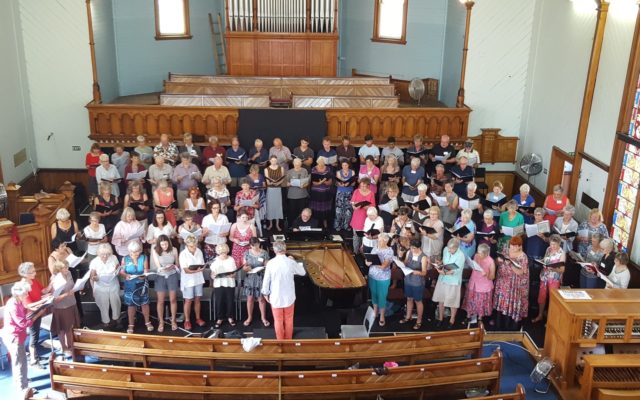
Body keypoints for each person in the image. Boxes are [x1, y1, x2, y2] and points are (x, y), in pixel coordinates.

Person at [2, 281, 45, 398]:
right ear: (18, 294)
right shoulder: (13, 305)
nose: (27, 295)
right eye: (25, 294)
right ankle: (23, 389)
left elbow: (24, 313)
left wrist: (34, 310)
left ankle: (20, 382)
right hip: (14, 337)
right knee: (20, 363)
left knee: (20, 362)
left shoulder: (17, 301)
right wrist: (37, 315)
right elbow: (23, 324)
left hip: (18, 336)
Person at [261, 241, 307, 340]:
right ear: (285, 249)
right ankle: (288, 340)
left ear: (274, 250)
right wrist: (294, 261)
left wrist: (265, 293)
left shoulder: (270, 263)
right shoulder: (290, 262)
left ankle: (280, 341)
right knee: (289, 319)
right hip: (289, 296)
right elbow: (303, 272)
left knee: (278, 320)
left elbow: (266, 280)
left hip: (276, 296)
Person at [493, 236, 529, 331]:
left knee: (510, 300)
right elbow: (497, 262)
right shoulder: (505, 250)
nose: (512, 248)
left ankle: (510, 325)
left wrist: (510, 265)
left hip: (514, 284)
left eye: (515, 246)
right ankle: (499, 322)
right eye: (511, 245)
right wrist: (498, 261)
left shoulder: (523, 256)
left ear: (520, 246)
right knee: (502, 299)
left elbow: (521, 272)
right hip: (503, 280)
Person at [17, 262, 47, 366]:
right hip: (30, 314)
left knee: (36, 335)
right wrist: (44, 301)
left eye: (34, 270)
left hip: (38, 310)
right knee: (34, 336)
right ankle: (34, 360)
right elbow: (29, 305)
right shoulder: (22, 286)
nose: (35, 272)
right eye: (32, 271)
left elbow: (43, 291)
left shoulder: (33, 280)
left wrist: (52, 284)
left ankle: (34, 355)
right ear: (25, 274)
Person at [49, 260, 81, 357]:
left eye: (67, 267)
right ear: (58, 269)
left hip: (72, 303)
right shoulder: (54, 278)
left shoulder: (69, 273)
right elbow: (54, 299)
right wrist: (67, 294)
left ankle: (71, 345)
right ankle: (64, 347)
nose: (67, 269)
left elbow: (71, 286)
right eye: (64, 268)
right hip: (61, 307)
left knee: (71, 327)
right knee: (63, 329)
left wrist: (78, 287)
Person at [119, 241, 152, 334]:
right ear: (129, 252)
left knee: (145, 303)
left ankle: (147, 322)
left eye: (137, 251)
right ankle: (131, 325)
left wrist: (144, 275)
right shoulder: (124, 259)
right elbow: (121, 271)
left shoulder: (144, 257)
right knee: (131, 304)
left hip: (142, 283)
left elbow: (146, 270)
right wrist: (126, 275)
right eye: (133, 252)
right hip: (130, 283)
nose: (136, 254)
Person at [532, 234, 566, 323]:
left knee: (553, 299)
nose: (552, 246)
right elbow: (545, 259)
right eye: (551, 244)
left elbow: (562, 269)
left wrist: (553, 269)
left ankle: (551, 320)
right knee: (542, 296)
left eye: (554, 244)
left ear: (559, 243)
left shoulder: (562, 253)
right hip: (545, 276)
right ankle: (540, 315)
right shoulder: (548, 249)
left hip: (554, 278)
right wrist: (541, 262)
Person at [433, 238, 465, 329]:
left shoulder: (461, 256)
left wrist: (445, 273)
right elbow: (444, 260)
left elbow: (457, 270)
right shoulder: (446, 249)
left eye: (451, 249)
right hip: (443, 279)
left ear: (456, 248)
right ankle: (440, 318)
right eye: (448, 248)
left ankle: (452, 319)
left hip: (453, 280)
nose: (449, 250)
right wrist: (440, 263)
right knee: (441, 299)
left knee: (452, 302)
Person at [89, 244, 121, 329]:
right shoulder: (94, 261)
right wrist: (93, 288)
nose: (105, 256)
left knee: (116, 302)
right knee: (103, 304)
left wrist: (117, 272)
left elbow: (118, 268)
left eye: (107, 254)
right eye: (103, 254)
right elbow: (92, 277)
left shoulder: (113, 257)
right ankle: (105, 321)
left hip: (113, 283)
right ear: (98, 253)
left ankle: (116, 318)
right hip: (100, 286)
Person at [399, 239, 429, 330]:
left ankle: (419, 321)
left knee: (418, 301)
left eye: (414, 248)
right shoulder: (409, 252)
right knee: (409, 299)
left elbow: (424, 272)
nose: (412, 249)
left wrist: (418, 272)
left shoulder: (423, 257)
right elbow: (405, 263)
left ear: (418, 247)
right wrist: (400, 259)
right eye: (411, 247)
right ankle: (408, 317)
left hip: (417, 282)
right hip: (408, 279)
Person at [462, 244, 495, 325]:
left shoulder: (491, 261)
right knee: (471, 300)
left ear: (486, 253)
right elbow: (473, 265)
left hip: (484, 285)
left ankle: (480, 318)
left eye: (480, 253)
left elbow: (492, 277)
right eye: (478, 252)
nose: (478, 254)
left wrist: (486, 274)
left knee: (481, 302)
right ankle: (469, 316)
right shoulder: (476, 256)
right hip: (474, 282)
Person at [365, 233, 393, 327]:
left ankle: (382, 316)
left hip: (383, 278)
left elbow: (384, 266)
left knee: (382, 297)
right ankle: (375, 313)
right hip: (372, 276)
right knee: (374, 295)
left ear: (386, 241)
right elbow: (368, 259)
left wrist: (373, 263)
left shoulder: (389, 251)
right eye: (379, 240)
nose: (379, 242)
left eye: (381, 240)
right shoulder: (375, 248)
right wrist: (367, 262)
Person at [179, 235, 206, 330]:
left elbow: (202, 265)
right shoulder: (183, 254)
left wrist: (201, 268)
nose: (194, 247)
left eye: (195, 245)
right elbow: (186, 270)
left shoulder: (199, 251)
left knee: (198, 299)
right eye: (191, 246)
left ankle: (198, 318)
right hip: (188, 280)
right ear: (186, 244)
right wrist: (197, 270)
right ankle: (187, 320)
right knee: (188, 300)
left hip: (198, 279)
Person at [242, 238, 270, 327]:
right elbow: (244, 267)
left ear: (259, 243)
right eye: (253, 246)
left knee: (261, 299)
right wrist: (246, 268)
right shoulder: (246, 253)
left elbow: (267, 265)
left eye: (257, 245)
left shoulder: (264, 253)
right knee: (250, 299)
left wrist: (265, 266)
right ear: (250, 245)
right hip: (250, 277)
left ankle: (263, 318)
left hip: (261, 277)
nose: (255, 247)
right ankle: (249, 317)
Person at [211, 243, 237, 328]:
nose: (223, 254)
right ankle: (220, 318)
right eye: (221, 253)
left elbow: (234, 273)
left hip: (229, 283)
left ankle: (230, 317)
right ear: (218, 253)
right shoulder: (215, 260)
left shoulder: (231, 259)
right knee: (219, 301)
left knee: (230, 301)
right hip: (219, 283)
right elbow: (212, 274)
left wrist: (232, 275)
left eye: (225, 252)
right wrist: (213, 276)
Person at [350, 178, 376, 253]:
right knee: (356, 236)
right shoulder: (356, 191)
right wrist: (355, 206)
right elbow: (353, 203)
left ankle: (363, 254)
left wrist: (366, 207)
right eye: (361, 186)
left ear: (368, 186)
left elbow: (373, 206)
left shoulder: (371, 193)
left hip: (366, 217)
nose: (363, 188)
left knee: (364, 237)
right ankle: (355, 252)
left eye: (365, 186)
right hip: (357, 216)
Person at [309, 157, 334, 229]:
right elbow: (313, 182)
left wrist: (325, 182)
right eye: (320, 162)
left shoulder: (328, 169)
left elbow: (330, 182)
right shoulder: (313, 169)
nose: (321, 164)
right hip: (316, 192)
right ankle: (315, 223)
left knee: (325, 208)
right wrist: (320, 182)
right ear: (317, 162)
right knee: (315, 208)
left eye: (323, 162)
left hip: (326, 192)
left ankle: (325, 223)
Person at [285, 158, 310, 225]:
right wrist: (289, 184)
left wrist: (304, 186)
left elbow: (307, 182)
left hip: (302, 195)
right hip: (292, 195)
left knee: (301, 212)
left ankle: (301, 225)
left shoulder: (304, 170)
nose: (297, 166)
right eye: (296, 164)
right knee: (292, 212)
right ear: (293, 164)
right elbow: (285, 183)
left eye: (299, 164)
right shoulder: (289, 172)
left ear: (301, 164)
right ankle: (291, 226)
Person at [334, 160, 356, 232]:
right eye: (343, 165)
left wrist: (348, 184)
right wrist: (341, 184)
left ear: (348, 165)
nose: (344, 167)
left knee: (348, 210)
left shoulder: (352, 172)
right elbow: (336, 183)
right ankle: (338, 225)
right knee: (339, 209)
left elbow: (354, 183)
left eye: (346, 165)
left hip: (349, 192)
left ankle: (346, 225)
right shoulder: (338, 172)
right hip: (340, 192)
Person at [265, 155, 285, 231]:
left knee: (278, 206)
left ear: (277, 160)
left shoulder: (281, 168)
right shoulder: (266, 169)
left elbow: (282, 179)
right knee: (270, 206)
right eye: (272, 160)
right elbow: (267, 181)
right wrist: (272, 183)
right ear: (270, 161)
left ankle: (277, 224)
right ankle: (270, 224)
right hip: (270, 189)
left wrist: (277, 183)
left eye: (275, 160)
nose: (274, 162)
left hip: (278, 189)